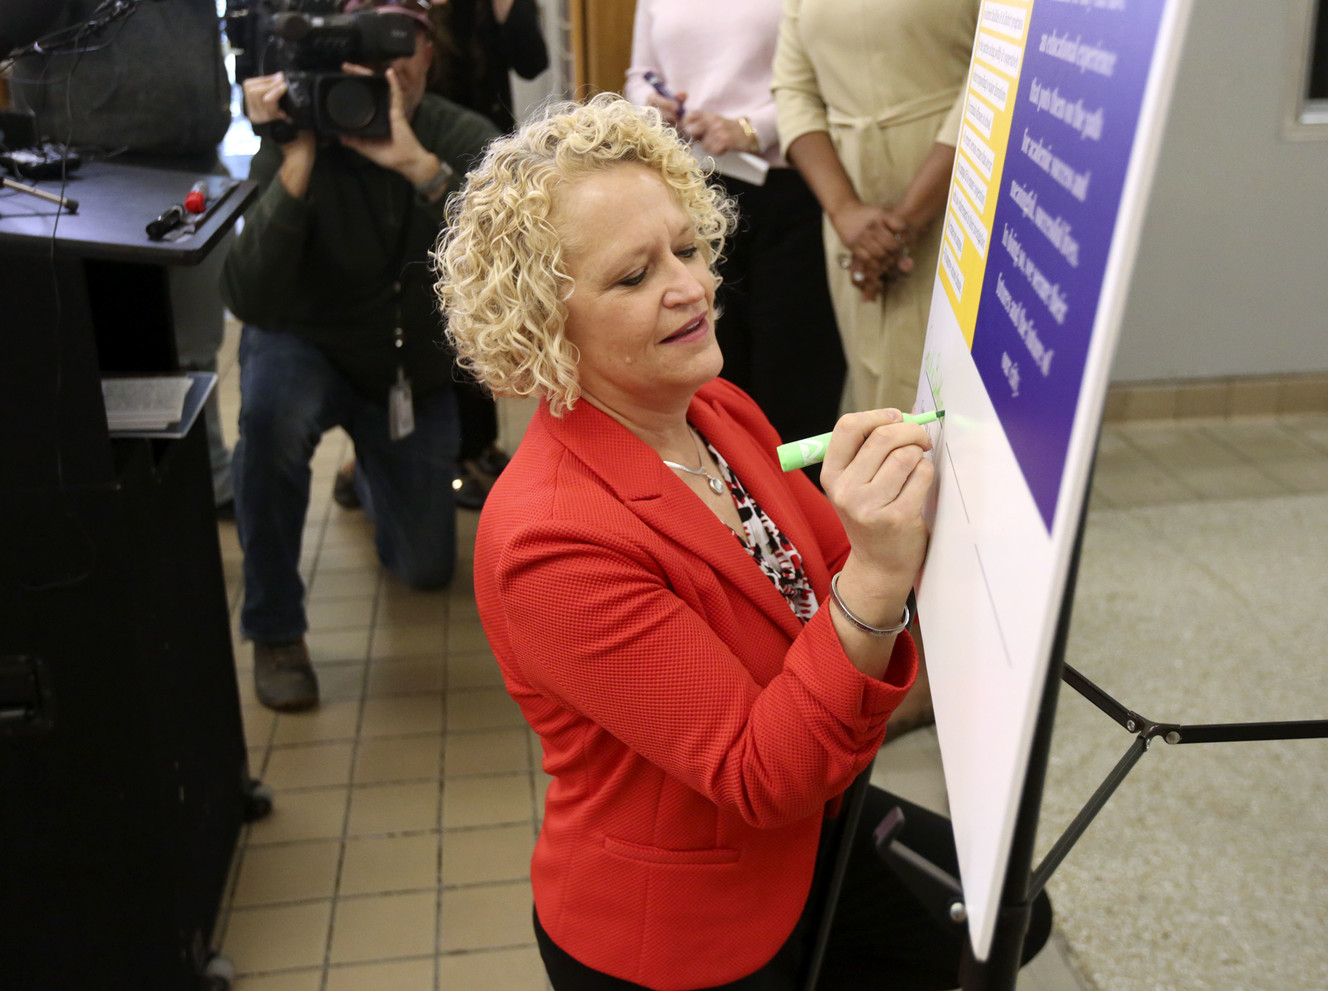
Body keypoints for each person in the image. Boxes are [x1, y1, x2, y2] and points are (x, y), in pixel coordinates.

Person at [434, 95, 1049, 990]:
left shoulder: (709, 407)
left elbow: (806, 572)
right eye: (633, 276)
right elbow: (759, 774)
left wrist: (893, 509)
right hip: (685, 921)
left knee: (1012, 919)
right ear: (544, 330)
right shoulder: (549, 538)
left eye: (686, 248)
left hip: (813, 821)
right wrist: (878, 572)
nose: (690, 287)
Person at [222, 0, 497, 711]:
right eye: (367, 49)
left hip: (405, 367)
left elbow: (507, 266)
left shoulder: (460, 136)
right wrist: (299, 158)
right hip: (303, 342)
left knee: (425, 567)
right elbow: (248, 295)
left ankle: (366, 471)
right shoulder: (300, 127)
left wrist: (421, 169)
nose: (384, 66)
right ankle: (276, 629)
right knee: (270, 423)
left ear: (429, 54)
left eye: (400, 44)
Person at [9, 0, 238, 514]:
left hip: (193, 167)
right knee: (109, 357)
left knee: (196, 347)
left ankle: (210, 484)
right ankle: (136, 502)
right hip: (89, 186)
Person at [623, 0, 844, 491]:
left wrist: (748, 129)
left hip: (786, 188)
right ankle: (736, 513)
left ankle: (807, 523)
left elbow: (828, 84)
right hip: (687, 187)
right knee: (711, 373)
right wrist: (650, 106)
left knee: (794, 377)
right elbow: (639, 74)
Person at [773, 0, 979, 415]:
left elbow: (995, 75)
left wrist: (906, 222)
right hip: (849, 211)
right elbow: (794, 91)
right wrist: (844, 210)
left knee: (951, 390)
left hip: (961, 192)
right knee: (874, 374)